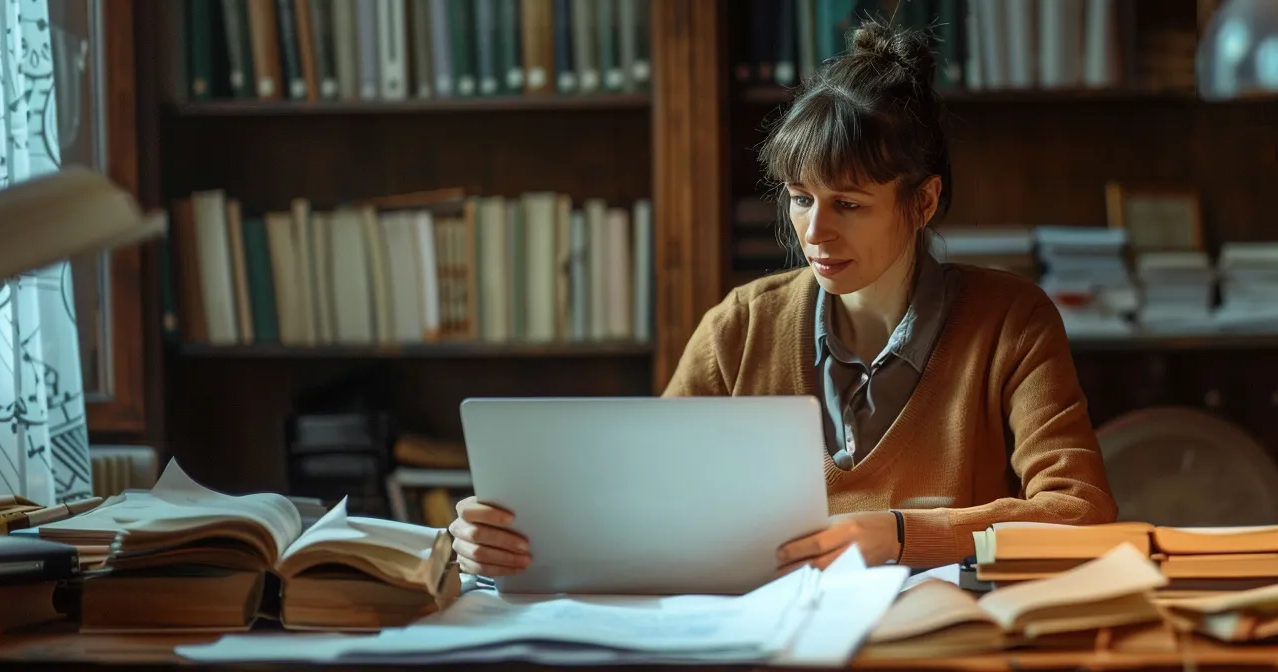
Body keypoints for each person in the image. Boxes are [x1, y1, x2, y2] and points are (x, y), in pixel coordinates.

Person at [449, 19, 1117, 579]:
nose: (815, 233)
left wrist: (898, 534)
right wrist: (497, 542)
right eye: (801, 200)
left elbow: (1080, 509)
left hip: (941, 639)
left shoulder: (1012, 321)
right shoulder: (741, 327)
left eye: (849, 205)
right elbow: (641, 506)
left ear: (924, 201)